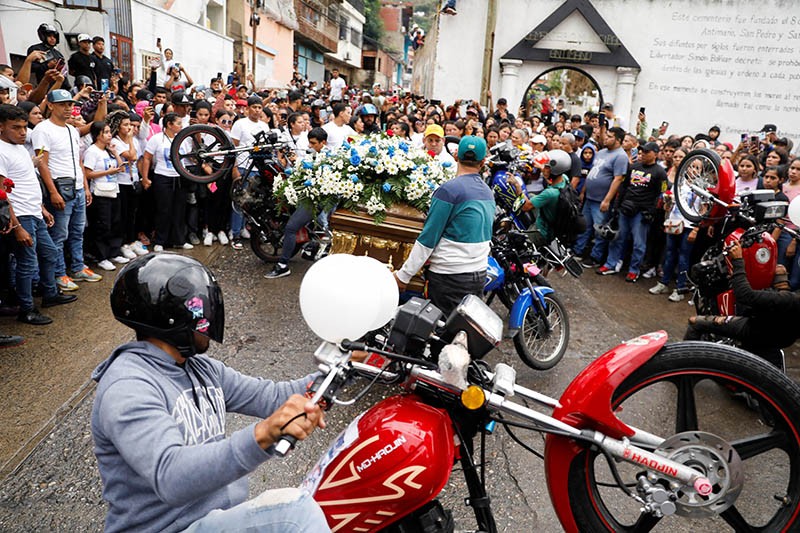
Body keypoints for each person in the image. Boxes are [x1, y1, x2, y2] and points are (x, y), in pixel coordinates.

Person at [92, 253, 330, 533]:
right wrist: (263, 434)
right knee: (295, 513)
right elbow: (170, 476)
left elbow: (273, 396)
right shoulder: (127, 386)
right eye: (199, 312)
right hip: (166, 529)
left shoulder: (200, 368)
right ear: (170, 319)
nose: (208, 319)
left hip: (212, 519)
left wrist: (340, 367)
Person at [395, 136, 494, 316]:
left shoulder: (449, 191)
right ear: (483, 162)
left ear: (456, 156)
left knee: (440, 329)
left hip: (449, 277)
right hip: (478, 274)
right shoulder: (488, 193)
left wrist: (404, 276)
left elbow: (428, 239)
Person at [0, 104, 76, 326]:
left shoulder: (20, 148)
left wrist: (41, 209)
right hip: (21, 216)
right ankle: (26, 309)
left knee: (49, 252)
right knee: (27, 262)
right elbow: (2, 194)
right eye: (16, 127)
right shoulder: (1, 151)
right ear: (1, 127)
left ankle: (49, 294)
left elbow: (27, 180)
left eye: (25, 127)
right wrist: (17, 226)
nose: (23, 132)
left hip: (33, 212)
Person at [684, 241, 800, 371]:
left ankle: (684, 369)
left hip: (756, 329)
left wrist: (738, 262)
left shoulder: (790, 300)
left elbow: (744, 295)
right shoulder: (790, 299)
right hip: (781, 333)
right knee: (780, 270)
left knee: (695, 322)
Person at [32, 89, 103, 289]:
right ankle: (59, 273)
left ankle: (78, 267)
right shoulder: (42, 129)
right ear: (51, 105)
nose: (68, 108)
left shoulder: (72, 129)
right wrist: (53, 192)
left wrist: (85, 187)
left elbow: (78, 160)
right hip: (60, 187)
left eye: (70, 104)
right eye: (62, 104)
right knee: (59, 234)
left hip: (77, 186)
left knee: (77, 232)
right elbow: (42, 163)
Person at [597, 142, 666, 282]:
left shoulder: (660, 172)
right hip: (625, 208)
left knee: (638, 243)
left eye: (647, 152)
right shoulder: (633, 167)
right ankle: (610, 264)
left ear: (655, 154)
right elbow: (623, 187)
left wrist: (651, 212)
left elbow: (662, 194)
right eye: (642, 152)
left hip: (641, 212)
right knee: (617, 238)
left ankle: (634, 270)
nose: (643, 154)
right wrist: (617, 206)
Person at [265, 128, 329, 280]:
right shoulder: (313, 154)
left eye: (313, 143)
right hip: (306, 196)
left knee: (291, 228)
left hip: (314, 200)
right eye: (309, 142)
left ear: (323, 143)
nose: (310, 145)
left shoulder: (328, 158)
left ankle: (283, 265)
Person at [575, 126, 629, 268]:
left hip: (601, 200)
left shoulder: (621, 156)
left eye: (610, 136)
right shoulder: (602, 152)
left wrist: (607, 200)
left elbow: (617, 179)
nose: (606, 138)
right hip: (589, 197)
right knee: (584, 226)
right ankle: (578, 251)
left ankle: (595, 257)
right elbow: (593, 172)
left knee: (600, 230)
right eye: (607, 135)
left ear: (618, 140)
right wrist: (583, 191)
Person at [83, 120, 127, 271]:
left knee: (116, 223)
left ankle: (114, 252)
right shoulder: (92, 151)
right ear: (97, 135)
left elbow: (121, 168)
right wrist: (108, 172)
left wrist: (115, 153)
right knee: (102, 225)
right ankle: (101, 256)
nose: (109, 135)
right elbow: (88, 173)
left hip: (113, 189)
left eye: (109, 132)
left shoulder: (108, 150)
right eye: (106, 132)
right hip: (100, 192)